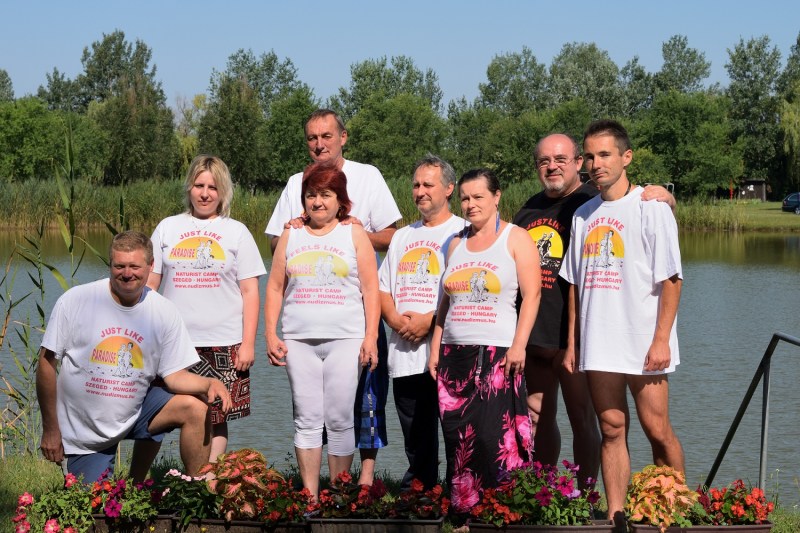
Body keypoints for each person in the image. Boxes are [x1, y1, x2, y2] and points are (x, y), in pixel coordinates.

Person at [512, 133, 675, 487]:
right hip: (536, 332)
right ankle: (544, 494)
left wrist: (668, 197)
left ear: (576, 164)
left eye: (560, 159)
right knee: (536, 417)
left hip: (580, 334)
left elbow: (633, 205)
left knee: (585, 418)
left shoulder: (593, 200)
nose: (551, 166)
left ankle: (585, 497)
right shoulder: (528, 209)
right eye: (544, 161)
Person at [265, 109, 401, 485]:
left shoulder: (368, 176)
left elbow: (390, 235)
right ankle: (314, 491)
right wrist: (299, 227)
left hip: (353, 319)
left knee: (363, 403)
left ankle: (365, 480)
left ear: (343, 136)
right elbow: (277, 245)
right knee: (308, 414)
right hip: (303, 324)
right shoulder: (296, 182)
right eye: (312, 138)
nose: (319, 143)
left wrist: (349, 232)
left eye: (327, 135)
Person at [560, 120, 684, 522]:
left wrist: (661, 339)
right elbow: (576, 284)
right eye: (590, 156)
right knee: (611, 428)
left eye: (605, 154)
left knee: (657, 430)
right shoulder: (582, 214)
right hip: (599, 341)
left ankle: (674, 510)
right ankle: (617, 515)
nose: (596, 164)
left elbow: (671, 279)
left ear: (626, 157)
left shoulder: (651, 206)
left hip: (643, 339)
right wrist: (574, 343)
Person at [36, 231, 231, 484]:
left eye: (135, 266)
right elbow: (46, 364)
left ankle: (196, 494)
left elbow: (174, 376)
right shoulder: (76, 300)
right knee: (92, 511)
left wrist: (208, 384)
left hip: (136, 410)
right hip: (87, 433)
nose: (127, 273)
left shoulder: (163, 311)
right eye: (120, 266)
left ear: (151, 266)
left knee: (196, 408)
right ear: (110, 265)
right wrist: (51, 429)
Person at [428, 168, 541, 513]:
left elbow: (533, 295)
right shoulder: (454, 244)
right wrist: (435, 348)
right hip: (453, 355)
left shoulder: (516, 238)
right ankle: (463, 511)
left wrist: (519, 344)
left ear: (496, 196)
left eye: (478, 196)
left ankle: (505, 508)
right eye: (465, 197)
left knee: (496, 437)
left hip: (497, 353)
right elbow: (444, 302)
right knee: (458, 437)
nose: (470, 204)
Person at [148, 155, 266, 461]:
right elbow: (149, 285)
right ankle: (152, 481)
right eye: (199, 185)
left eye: (212, 187)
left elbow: (251, 291)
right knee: (158, 412)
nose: (204, 193)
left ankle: (207, 480)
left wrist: (249, 343)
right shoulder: (167, 227)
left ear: (223, 191)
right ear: (188, 187)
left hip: (224, 341)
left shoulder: (237, 231)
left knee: (217, 415)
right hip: (172, 342)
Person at [378, 155, 465, 489]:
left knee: (453, 427)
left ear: (448, 188)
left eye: (428, 184)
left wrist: (429, 322)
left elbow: (464, 288)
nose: (420, 191)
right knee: (415, 429)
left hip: (445, 349)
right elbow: (384, 288)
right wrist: (395, 319)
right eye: (416, 185)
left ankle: (459, 491)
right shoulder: (401, 236)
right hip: (404, 349)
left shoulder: (461, 231)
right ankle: (422, 489)